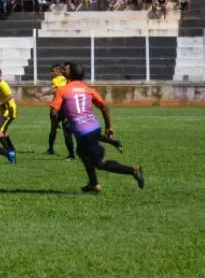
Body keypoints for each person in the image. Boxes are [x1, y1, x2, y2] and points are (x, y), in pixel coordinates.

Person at [51, 62, 145, 193]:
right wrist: (109, 127)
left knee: (100, 163)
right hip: (94, 127)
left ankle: (133, 170)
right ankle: (93, 184)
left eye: (66, 69)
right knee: (81, 152)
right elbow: (104, 107)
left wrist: (56, 125)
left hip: (83, 131)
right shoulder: (88, 89)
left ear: (71, 73)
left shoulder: (62, 90)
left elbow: (54, 113)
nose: (63, 70)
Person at [45, 64, 76, 160]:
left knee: (59, 130)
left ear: (59, 72)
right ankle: (51, 149)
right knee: (61, 130)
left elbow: (57, 89)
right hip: (61, 106)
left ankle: (52, 149)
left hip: (61, 107)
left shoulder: (59, 79)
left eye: (53, 71)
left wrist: (43, 93)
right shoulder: (64, 79)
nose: (51, 73)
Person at [0, 68, 17, 154]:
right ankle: (11, 149)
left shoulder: (2, 84)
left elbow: (10, 96)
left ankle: (7, 151)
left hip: (9, 112)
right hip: (5, 112)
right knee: (3, 130)